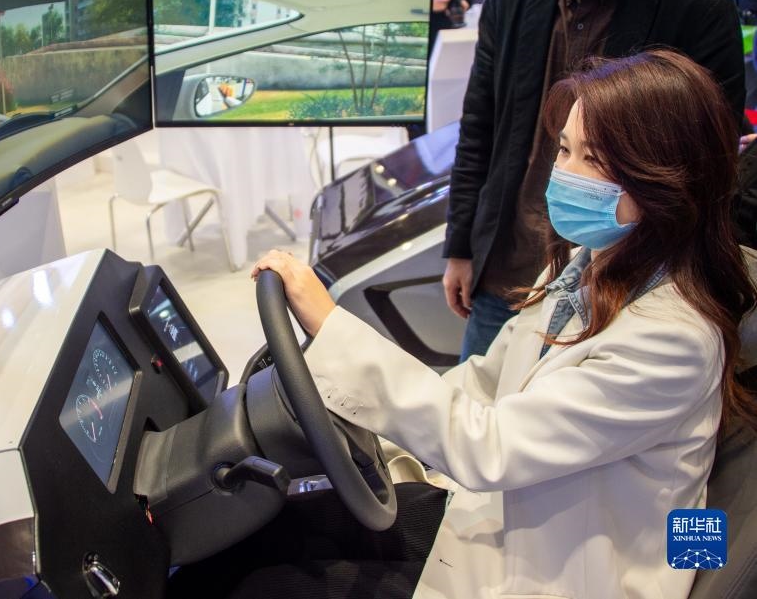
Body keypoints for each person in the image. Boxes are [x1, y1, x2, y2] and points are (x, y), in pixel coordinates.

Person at [246, 49, 757, 599]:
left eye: (596, 161)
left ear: (668, 180)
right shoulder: (587, 264)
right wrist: (375, 430)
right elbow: (488, 380)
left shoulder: (673, 340)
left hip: (573, 574)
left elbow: (489, 448)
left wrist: (330, 325)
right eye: (565, 149)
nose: (566, 175)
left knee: (266, 585)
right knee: (273, 536)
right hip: (510, 516)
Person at [441, 0, 746, 361]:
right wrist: (461, 246)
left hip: (621, 280)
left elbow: (709, 164)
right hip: (508, 261)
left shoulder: (697, 7)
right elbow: (479, 129)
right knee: (484, 389)